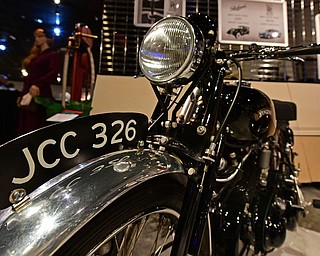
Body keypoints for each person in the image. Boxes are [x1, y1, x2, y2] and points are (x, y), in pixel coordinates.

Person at [17, 28, 61, 136]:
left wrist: (38, 84)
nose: (37, 39)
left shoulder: (52, 55)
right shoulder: (35, 56)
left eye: (40, 36)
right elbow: (29, 78)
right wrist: (23, 94)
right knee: (27, 125)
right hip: (29, 92)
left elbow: (53, 73)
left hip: (41, 94)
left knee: (36, 125)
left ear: (47, 38)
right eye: (36, 37)